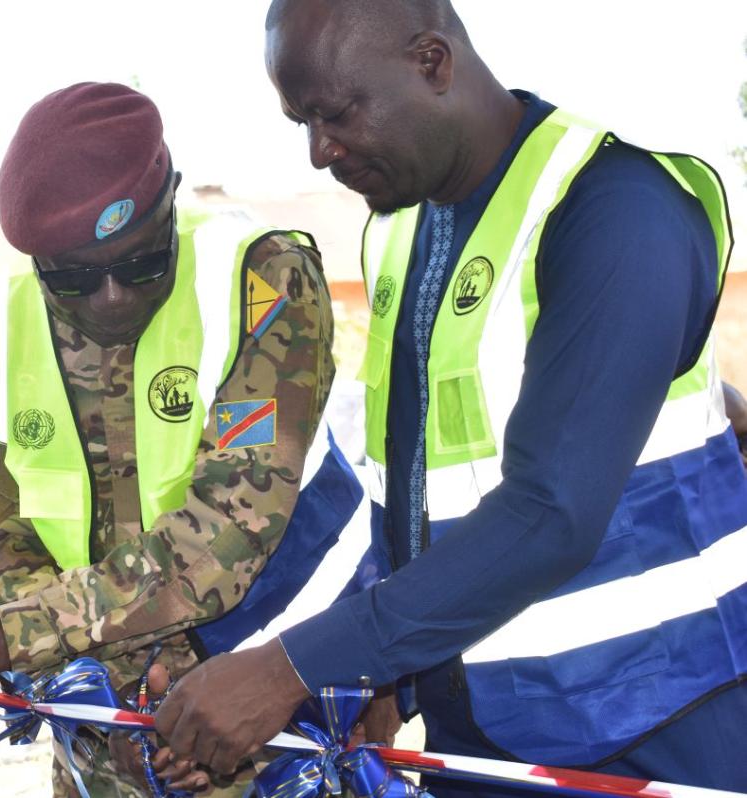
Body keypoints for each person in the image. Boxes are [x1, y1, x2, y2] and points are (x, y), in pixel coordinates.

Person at [155, 1, 747, 793]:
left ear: (432, 62)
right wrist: (357, 668)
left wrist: (293, 667)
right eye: (300, 122)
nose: (320, 151)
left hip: (655, 725)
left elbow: (550, 512)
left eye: (335, 114)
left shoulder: (613, 209)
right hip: (484, 736)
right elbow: (400, 498)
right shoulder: (405, 229)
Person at [0, 82, 365, 797]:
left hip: (263, 712)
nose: (113, 298)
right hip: (96, 732)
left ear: (171, 200)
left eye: (142, 263)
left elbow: (230, 528)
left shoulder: (257, 284)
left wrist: (17, 634)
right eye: (74, 279)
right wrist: (96, 685)